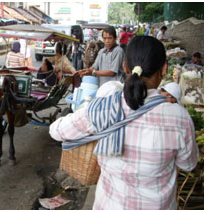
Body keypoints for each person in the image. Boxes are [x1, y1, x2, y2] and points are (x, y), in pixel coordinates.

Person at [49, 36, 198, 210]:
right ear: (164, 69)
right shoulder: (179, 117)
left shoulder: (105, 107)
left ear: (125, 67)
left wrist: (90, 112)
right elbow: (187, 164)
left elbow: (56, 131)